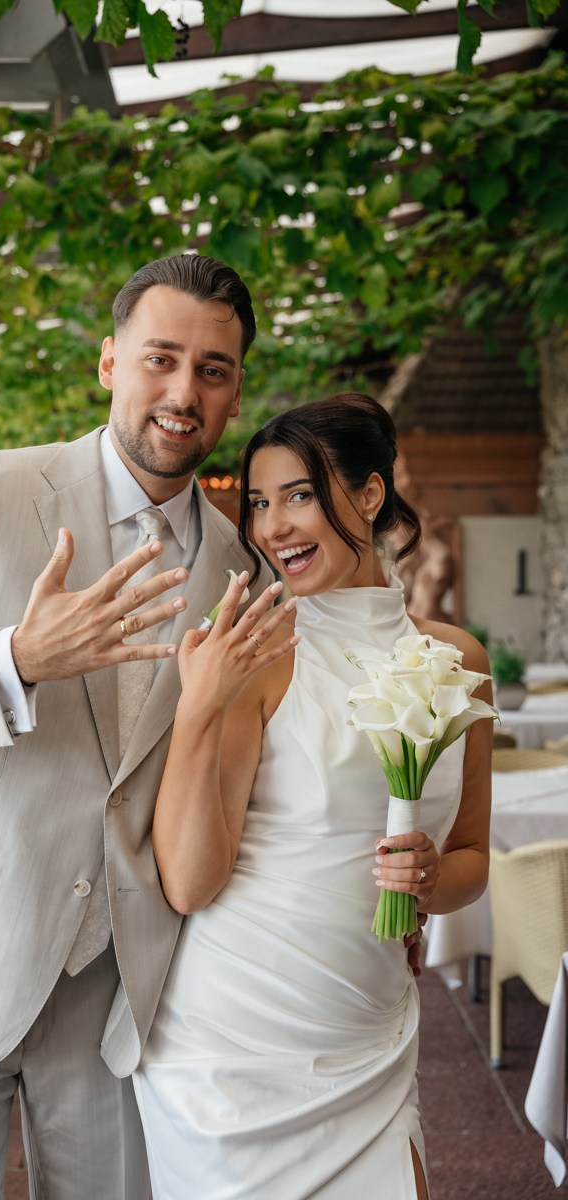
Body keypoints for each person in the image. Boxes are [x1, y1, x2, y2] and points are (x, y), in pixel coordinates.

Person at [0, 253, 278, 1200]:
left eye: (212, 369)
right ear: (109, 362)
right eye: (160, 357)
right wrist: (13, 661)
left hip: (112, 997)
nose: (181, 391)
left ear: (236, 394)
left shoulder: (246, 572)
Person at [132, 393, 494, 1200]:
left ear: (369, 494)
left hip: (368, 1029)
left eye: (298, 495)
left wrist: (433, 880)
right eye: (258, 504)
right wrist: (198, 705)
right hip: (233, 1043)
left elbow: (471, 857)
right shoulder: (260, 654)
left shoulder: (456, 658)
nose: (272, 528)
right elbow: (190, 883)